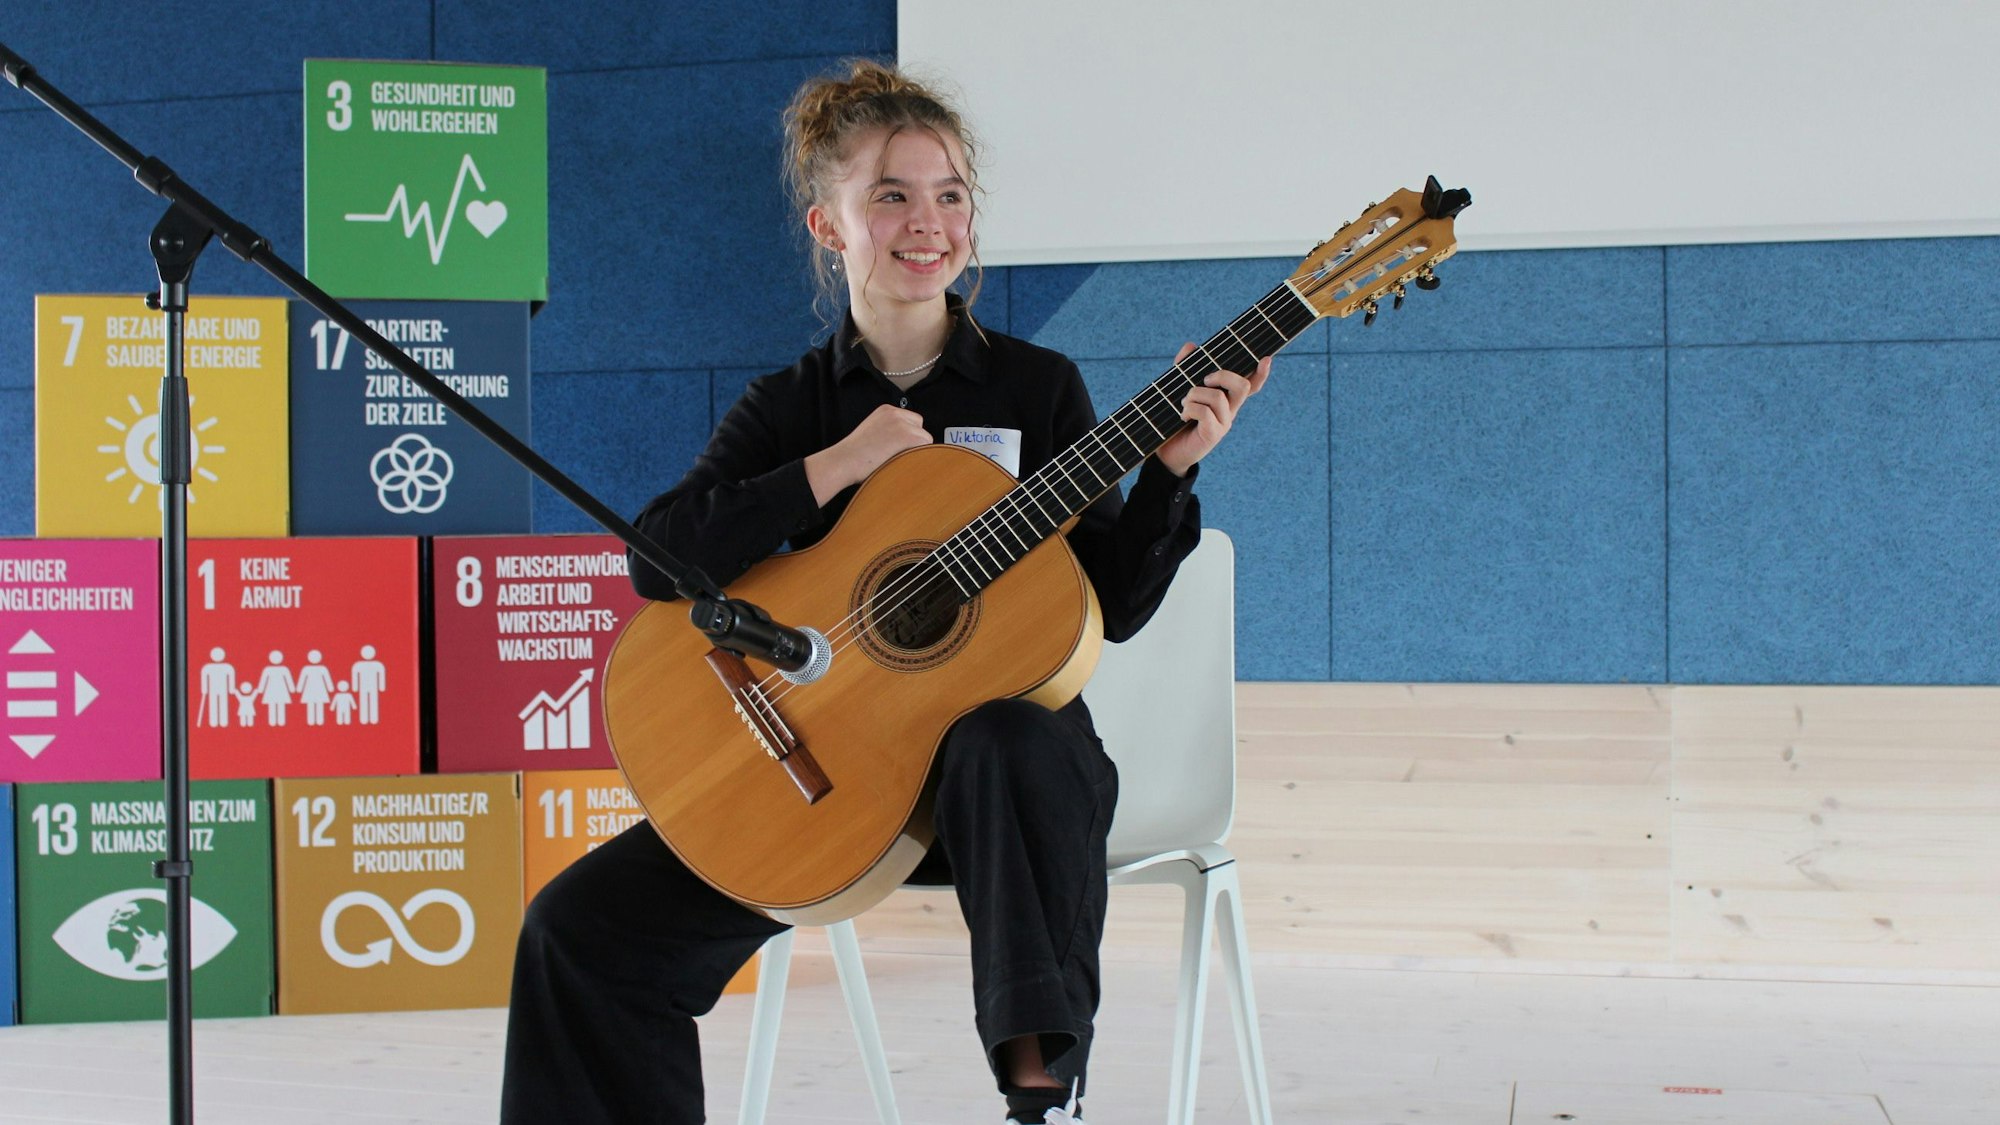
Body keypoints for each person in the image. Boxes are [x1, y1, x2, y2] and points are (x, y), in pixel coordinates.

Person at [501, 59, 1267, 1125]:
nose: (929, 221)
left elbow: (1109, 610)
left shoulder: (1036, 389)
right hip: (831, 779)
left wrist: (1169, 474)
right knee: (579, 932)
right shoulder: (791, 406)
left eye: (950, 194)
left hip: (1006, 802)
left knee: (1003, 736)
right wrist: (834, 466)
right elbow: (658, 559)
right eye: (891, 195)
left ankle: (1041, 1096)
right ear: (830, 226)